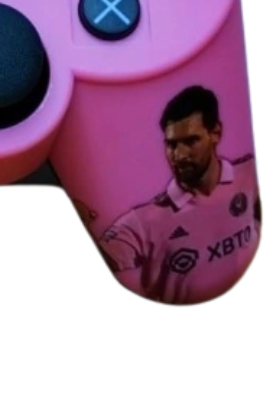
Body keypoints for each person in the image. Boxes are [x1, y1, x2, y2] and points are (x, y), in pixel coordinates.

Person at [97, 85, 260, 304]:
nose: (180, 155)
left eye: (191, 141)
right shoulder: (142, 222)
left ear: (215, 134)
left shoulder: (248, 173)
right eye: (171, 144)